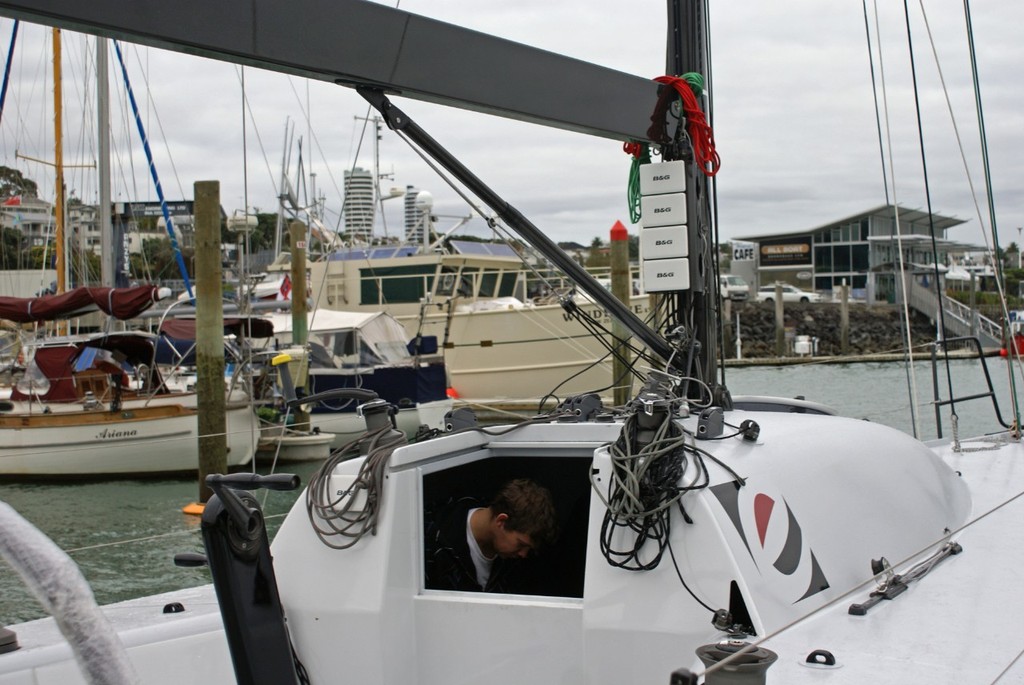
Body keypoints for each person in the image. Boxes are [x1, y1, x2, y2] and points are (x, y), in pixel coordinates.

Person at [424, 478, 558, 593]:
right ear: (501, 521)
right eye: (521, 544)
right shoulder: (432, 543)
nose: (523, 554)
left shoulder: (515, 562)